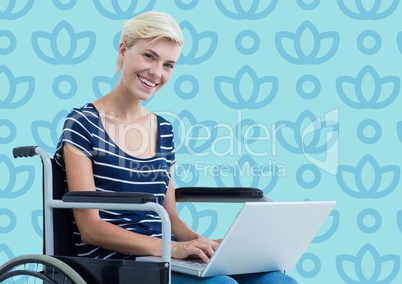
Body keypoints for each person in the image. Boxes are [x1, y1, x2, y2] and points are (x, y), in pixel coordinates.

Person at [54, 11, 298, 284]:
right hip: (117, 265)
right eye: (149, 56)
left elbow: (170, 217)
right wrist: (175, 249)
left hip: (165, 256)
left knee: (276, 280)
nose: (156, 73)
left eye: (168, 65)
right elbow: (90, 228)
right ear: (123, 50)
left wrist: (205, 245)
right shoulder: (82, 122)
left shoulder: (164, 129)